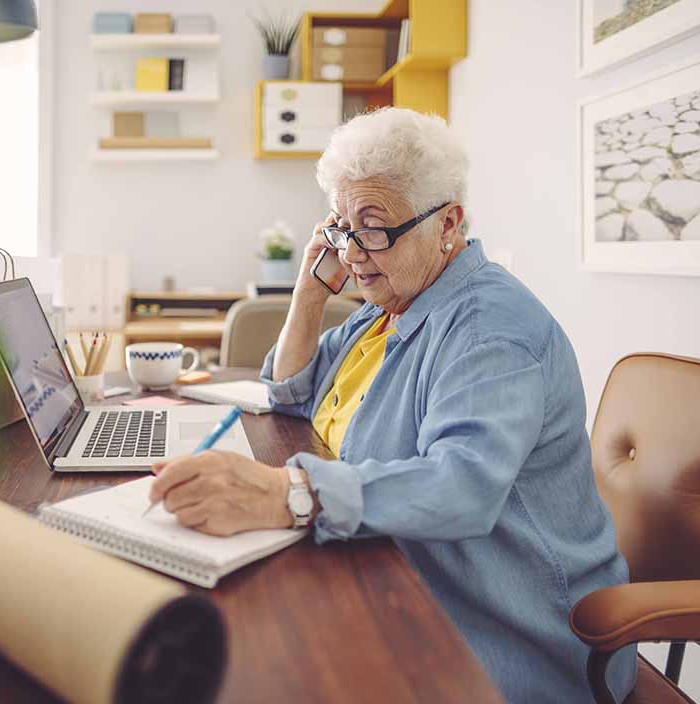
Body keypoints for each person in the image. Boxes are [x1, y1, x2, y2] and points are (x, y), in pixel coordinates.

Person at [149, 108, 636, 702]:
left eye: (373, 228)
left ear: (448, 223)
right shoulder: (391, 304)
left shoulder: (490, 332)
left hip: (505, 633)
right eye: (340, 227)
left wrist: (289, 494)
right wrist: (308, 290)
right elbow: (292, 389)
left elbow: (463, 487)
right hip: (402, 575)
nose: (353, 252)